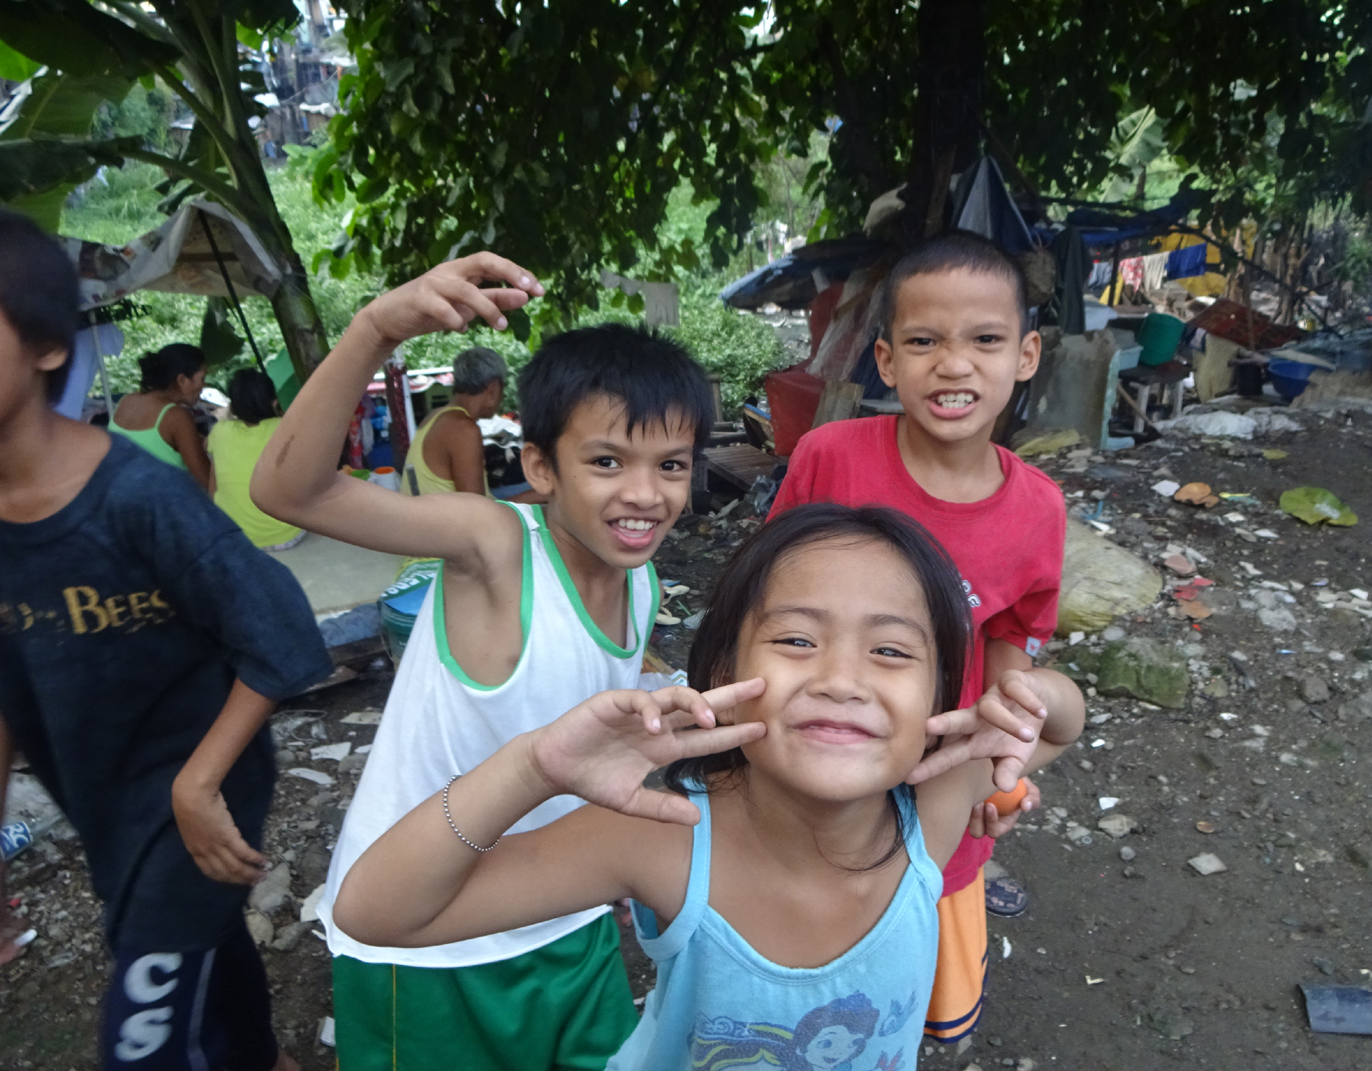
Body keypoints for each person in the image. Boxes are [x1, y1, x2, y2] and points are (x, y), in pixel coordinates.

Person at [331, 503, 1045, 1071]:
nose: (841, 679)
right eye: (797, 640)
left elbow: (1056, 722)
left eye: (890, 650)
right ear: (725, 679)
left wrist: (1037, 698)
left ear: (941, 701)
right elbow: (376, 914)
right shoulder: (667, 836)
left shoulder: (933, 812)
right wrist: (530, 769)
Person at [250, 253, 719, 1071]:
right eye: (607, 461)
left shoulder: (640, 578)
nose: (646, 493)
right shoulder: (496, 544)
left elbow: (599, 691)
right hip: (426, 936)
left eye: (670, 464)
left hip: (560, 908)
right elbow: (291, 490)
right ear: (540, 467)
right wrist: (376, 329)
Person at [0, 209, 329, 1070]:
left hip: (199, 791)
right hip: (102, 795)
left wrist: (198, 780)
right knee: (201, 946)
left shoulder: (139, 500)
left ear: (47, 346)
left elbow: (283, 631)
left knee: (142, 1036)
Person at [769, 231, 1086, 1045]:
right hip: (819, 760)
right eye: (923, 341)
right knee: (791, 979)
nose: (953, 365)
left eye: (985, 340)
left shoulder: (1038, 508)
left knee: (899, 998)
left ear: (1026, 355)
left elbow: (1013, 637)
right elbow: (765, 607)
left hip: (940, 785)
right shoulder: (829, 459)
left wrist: (1001, 755)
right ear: (885, 358)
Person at [206, 369, 305, 550]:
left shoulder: (219, 432)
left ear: (232, 406)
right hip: (287, 535)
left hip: (237, 537)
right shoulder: (287, 429)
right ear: (274, 402)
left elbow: (213, 489)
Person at [404, 346, 507, 496]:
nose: (503, 397)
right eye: (503, 387)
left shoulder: (436, 415)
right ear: (494, 387)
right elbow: (475, 506)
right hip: (453, 512)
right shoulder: (463, 429)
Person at [109, 342, 212, 489]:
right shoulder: (176, 416)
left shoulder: (127, 400)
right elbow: (206, 481)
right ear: (182, 380)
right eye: (202, 378)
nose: (204, 385)